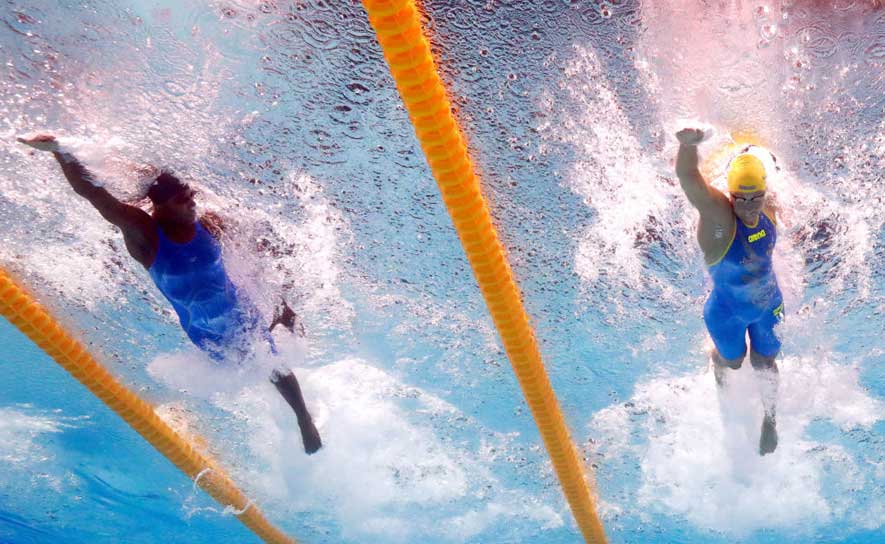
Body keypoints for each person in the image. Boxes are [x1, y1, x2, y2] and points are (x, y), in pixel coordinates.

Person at [18, 133, 322, 455]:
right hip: (204, 333)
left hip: (241, 311)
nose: (193, 203)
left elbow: (253, 248)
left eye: (191, 196)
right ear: (160, 206)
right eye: (183, 200)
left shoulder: (209, 224)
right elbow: (95, 196)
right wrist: (62, 151)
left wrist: (281, 299)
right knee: (249, 364)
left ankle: (303, 418)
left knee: (271, 361)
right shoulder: (145, 234)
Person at [675, 127, 783, 455]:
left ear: (765, 190)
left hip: (768, 306)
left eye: (755, 197)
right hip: (727, 313)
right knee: (733, 362)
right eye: (741, 198)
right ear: (730, 194)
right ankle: (717, 360)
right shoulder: (719, 218)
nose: (749, 206)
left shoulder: (770, 206)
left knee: (765, 362)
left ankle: (770, 421)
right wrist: (687, 146)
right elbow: (689, 179)